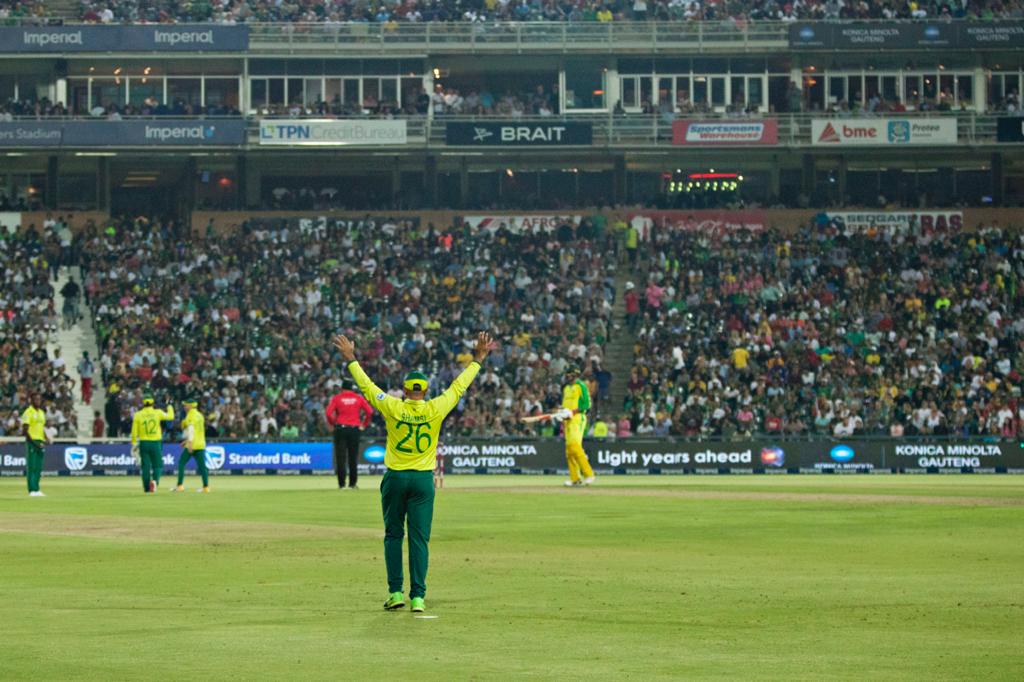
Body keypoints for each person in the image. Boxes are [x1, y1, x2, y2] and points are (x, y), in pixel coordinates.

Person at [334, 330, 494, 614]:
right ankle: (418, 597)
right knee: (419, 539)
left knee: (393, 535)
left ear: (405, 391)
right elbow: (458, 387)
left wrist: (351, 358)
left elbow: (367, 387)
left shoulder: (393, 406)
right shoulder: (436, 408)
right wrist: (478, 359)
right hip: (422, 480)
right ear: (425, 391)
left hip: (395, 477)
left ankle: (396, 592)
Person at [325, 378, 374, 490]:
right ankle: (352, 484)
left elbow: (328, 413)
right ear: (352, 388)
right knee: (353, 457)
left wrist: (333, 423)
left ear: (342, 388)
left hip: (340, 428)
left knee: (340, 457)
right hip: (354, 429)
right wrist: (364, 424)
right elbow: (370, 412)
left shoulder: (337, 398)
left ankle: (341, 484)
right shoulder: (358, 398)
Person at [551, 366, 595, 487]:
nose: (567, 376)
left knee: (574, 445)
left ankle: (589, 474)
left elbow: (587, 404)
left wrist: (573, 412)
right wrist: (560, 412)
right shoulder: (566, 388)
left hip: (578, 418)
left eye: (569, 374)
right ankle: (575, 479)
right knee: (569, 450)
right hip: (568, 421)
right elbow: (565, 407)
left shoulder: (581, 386)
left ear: (574, 374)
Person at [130, 394, 174, 493]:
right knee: (157, 465)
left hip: (144, 442)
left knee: (145, 466)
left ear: (143, 403)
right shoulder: (157, 412)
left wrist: (134, 443)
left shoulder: (138, 414)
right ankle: (154, 482)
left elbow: (134, 431)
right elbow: (171, 416)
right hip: (155, 443)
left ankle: (146, 487)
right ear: (153, 403)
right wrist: (169, 405)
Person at [174, 398, 209, 493]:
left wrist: (189, 443)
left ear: (190, 406)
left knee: (181, 463)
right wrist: (186, 441)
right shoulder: (200, 415)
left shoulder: (190, 415)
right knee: (202, 467)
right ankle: (206, 487)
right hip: (201, 444)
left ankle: (180, 486)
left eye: (185, 405)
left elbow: (191, 429)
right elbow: (198, 431)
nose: (184, 406)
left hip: (192, 444)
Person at [21, 393, 50, 497]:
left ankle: (37, 489)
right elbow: (25, 430)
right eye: (35, 399)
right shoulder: (28, 412)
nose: (37, 401)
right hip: (32, 442)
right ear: (31, 400)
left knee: (38, 467)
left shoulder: (41, 412)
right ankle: (31, 490)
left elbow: (41, 428)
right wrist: (34, 443)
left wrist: (46, 438)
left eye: (39, 399)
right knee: (32, 466)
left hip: (40, 441)